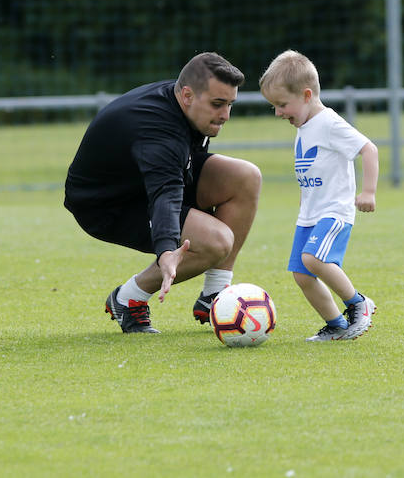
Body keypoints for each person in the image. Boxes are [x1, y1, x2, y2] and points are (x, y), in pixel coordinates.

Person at [65, 52, 262, 334]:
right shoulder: (158, 132)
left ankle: (215, 295)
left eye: (230, 104)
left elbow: (178, 172)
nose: (225, 115)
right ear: (187, 95)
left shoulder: (184, 103)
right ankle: (128, 298)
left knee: (246, 177)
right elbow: (166, 192)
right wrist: (167, 249)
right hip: (107, 207)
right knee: (217, 242)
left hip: (144, 184)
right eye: (218, 104)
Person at [259, 49, 378, 341]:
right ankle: (336, 324)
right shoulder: (304, 125)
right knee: (302, 274)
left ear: (307, 94)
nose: (278, 113)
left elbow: (369, 149)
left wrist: (368, 191)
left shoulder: (329, 122)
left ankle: (358, 304)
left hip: (334, 211)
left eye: (282, 104)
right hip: (309, 214)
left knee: (313, 259)